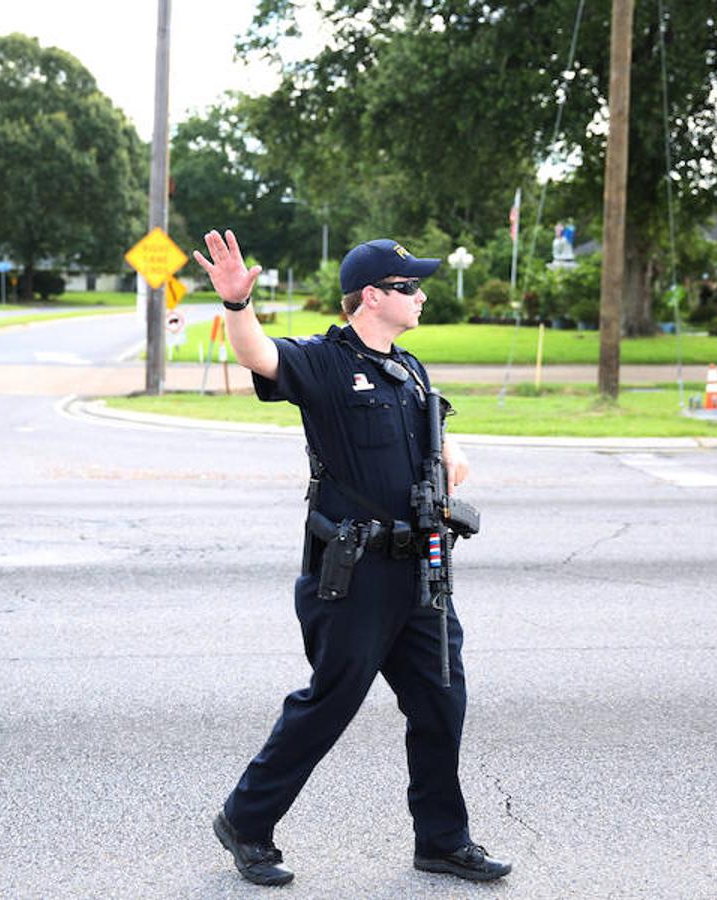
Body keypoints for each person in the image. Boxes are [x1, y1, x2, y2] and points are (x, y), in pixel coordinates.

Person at [193, 230, 512, 887]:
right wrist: (235, 306)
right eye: (409, 288)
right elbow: (257, 355)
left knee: (440, 702)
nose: (420, 295)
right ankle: (246, 822)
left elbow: (429, 432)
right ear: (371, 296)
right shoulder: (327, 363)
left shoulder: (412, 368)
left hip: (419, 570)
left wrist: (449, 452)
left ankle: (443, 840)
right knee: (329, 706)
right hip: (355, 574)